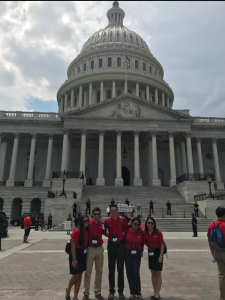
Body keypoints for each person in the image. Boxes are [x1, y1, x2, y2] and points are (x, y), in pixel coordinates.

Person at [104, 204, 129, 300]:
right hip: (111, 245)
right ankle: (111, 291)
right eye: (112, 210)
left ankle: (121, 291)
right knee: (111, 269)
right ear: (110, 211)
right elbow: (102, 230)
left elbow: (127, 229)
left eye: (115, 210)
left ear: (117, 210)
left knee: (120, 269)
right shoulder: (107, 220)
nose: (113, 212)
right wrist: (108, 235)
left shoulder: (122, 220)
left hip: (120, 245)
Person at [83, 207, 106, 300]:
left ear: (100, 215)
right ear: (92, 214)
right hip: (90, 249)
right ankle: (86, 293)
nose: (97, 216)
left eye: (98, 214)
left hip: (100, 248)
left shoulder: (102, 224)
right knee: (88, 272)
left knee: (99, 271)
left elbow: (106, 233)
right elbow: (82, 230)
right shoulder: (88, 224)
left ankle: (98, 292)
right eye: (95, 214)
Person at [65, 215, 89, 300]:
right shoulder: (77, 231)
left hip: (83, 254)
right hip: (76, 254)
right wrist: (74, 259)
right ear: (80, 222)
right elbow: (73, 246)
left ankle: (75, 296)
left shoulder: (86, 230)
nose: (86, 223)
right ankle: (67, 291)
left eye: (87, 221)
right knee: (75, 276)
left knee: (80, 276)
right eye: (84, 221)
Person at [207, 207, 225, 300]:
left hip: (217, 252)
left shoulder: (211, 225)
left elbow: (209, 240)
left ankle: (222, 297)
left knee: (222, 275)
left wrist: (212, 253)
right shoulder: (224, 225)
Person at [144, 217, 164, 300]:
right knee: (153, 273)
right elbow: (145, 242)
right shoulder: (145, 232)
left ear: (154, 224)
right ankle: (154, 291)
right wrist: (149, 248)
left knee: (158, 273)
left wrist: (161, 256)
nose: (150, 224)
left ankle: (157, 293)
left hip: (158, 252)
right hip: (151, 253)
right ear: (146, 224)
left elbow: (162, 244)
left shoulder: (158, 232)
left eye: (152, 223)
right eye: (149, 223)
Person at [124, 218, 144, 300]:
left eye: (138, 225)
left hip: (137, 254)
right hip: (128, 253)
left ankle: (138, 292)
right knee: (129, 273)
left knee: (135, 273)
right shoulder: (126, 231)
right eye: (135, 224)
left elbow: (144, 242)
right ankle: (132, 292)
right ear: (131, 223)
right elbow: (123, 241)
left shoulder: (141, 233)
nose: (136, 226)